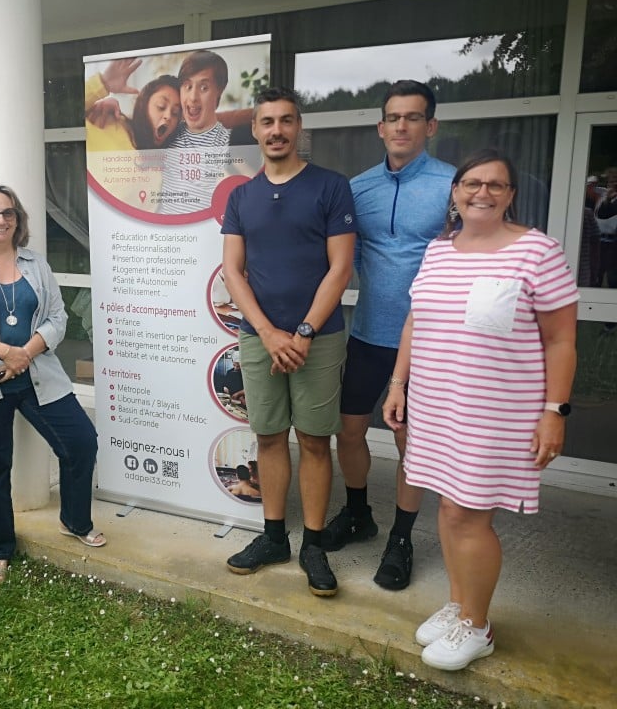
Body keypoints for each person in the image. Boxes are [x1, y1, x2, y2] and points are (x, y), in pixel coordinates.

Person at [383, 149, 578, 671]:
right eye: (472, 183)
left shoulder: (536, 252)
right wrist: (399, 384)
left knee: (469, 518)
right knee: (448, 509)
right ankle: (459, 604)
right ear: (455, 192)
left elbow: (561, 340)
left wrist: (554, 411)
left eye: (496, 185)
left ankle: (478, 625)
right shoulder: (439, 250)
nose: (482, 193)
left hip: (496, 415)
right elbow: (415, 322)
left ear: (511, 195)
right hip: (438, 406)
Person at [221, 88, 356, 597]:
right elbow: (233, 273)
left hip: (317, 341)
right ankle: (274, 536)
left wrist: (300, 333)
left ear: (299, 127)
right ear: (254, 130)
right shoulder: (241, 196)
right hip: (259, 338)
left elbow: (340, 269)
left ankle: (314, 545)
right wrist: (270, 333)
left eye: (286, 121)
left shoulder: (330, 187)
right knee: (270, 437)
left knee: (316, 440)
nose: (276, 130)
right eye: (266, 122)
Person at [322, 80, 454, 591]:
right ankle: (359, 514)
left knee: (410, 441)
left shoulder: (453, 185)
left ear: (430, 126)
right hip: (371, 335)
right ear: (381, 128)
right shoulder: (358, 189)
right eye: (394, 118)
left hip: (429, 342)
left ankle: (402, 538)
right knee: (347, 430)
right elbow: (341, 266)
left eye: (414, 117)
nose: (402, 126)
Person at [0, 182, 104, 585]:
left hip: (37, 374)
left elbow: (58, 318)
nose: (1, 220)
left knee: (81, 441)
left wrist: (24, 354)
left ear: (18, 220)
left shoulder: (36, 263)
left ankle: (75, 519)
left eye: (8, 213)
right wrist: (3, 352)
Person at [159, 50, 232, 215]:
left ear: (219, 90)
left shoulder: (228, 143)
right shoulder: (168, 133)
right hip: (162, 235)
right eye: (187, 86)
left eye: (204, 87)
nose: (193, 97)